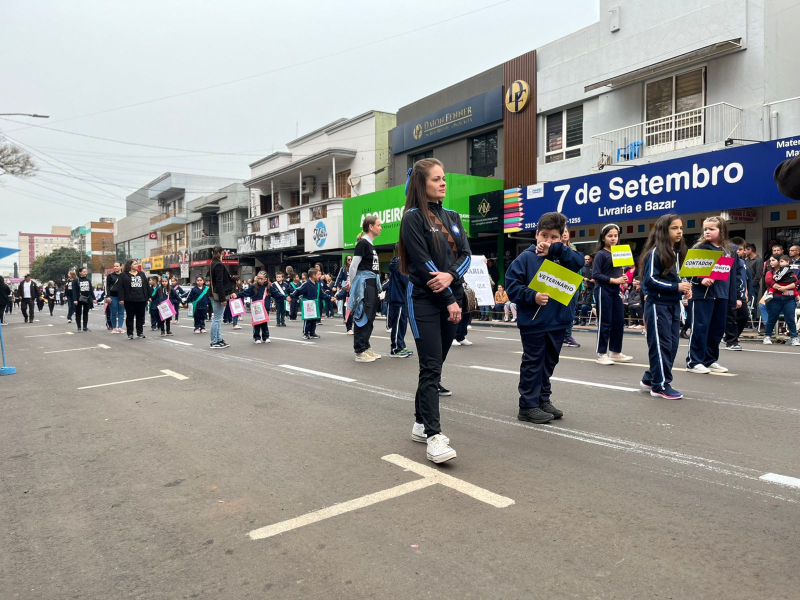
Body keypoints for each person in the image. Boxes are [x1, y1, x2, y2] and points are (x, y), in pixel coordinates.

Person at [398, 158, 471, 463]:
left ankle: (419, 422)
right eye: (436, 179)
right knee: (430, 367)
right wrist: (450, 301)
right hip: (425, 301)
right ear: (421, 183)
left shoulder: (453, 216)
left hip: (451, 297)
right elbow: (424, 264)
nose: (443, 183)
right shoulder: (413, 219)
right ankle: (434, 436)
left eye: (444, 178)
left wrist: (453, 277)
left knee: (435, 366)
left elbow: (467, 255)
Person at [505, 211, 584, 423]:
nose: (548, 241)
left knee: (549, 362)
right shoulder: (525, 258)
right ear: (537, 234)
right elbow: (513, 287)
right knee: (533, 362)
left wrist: (556, 249)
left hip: (559, 322)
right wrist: (533, 296)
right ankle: (528, 405)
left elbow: (579, 262)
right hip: (535, 323)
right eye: (545, 236)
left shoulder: (565, 256)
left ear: (562, 238)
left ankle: (543, 399)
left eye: (554, 237)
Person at [638, 214, 692, 399]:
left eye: (681, 228)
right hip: (657, 304)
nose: (679, 232)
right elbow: (650, 280)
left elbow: (678, 278)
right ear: (664, 230)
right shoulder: (655, 252)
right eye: (674, 228)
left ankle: (651, 376)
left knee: (673, 345)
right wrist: (676, 287)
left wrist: (685, 288)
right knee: (661, 345)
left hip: (673, 304)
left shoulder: (677, 252)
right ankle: (660, 385)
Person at [686, 216, 740, 374]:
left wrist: (734, 297)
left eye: (711, 229)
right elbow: (689, 273)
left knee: (717, 329)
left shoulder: (729, 251)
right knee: (700, 328)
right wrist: (701, 279)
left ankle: (709, 360)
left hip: (722, 295)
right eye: (705, 229)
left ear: (721, 231)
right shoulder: (699, 247)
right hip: (703, 296)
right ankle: (693, 361)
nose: (707, 231)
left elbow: (733, 276)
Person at [592, 224, 632, 365]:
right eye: (610, 236)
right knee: (605, 321)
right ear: (603, 238)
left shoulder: (619, 253)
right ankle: (601, 353)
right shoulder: (601, 254)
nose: (613, 238)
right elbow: (595, 274)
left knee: (619, 321)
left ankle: (615, 351)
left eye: (615, 235)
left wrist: (624, 279)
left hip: (616, 291)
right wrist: (614, 280)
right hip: (603, 289)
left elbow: (620, 273)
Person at [347, 215, 383, 361]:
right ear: (371, 226)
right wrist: (352, 284)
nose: (381, 227)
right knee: (363, 315)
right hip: (365, 283)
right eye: (379, 225)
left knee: (371, 316)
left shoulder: (370, 245)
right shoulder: (362, 243)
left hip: (372, 282)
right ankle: (359, 350)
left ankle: (366, 347)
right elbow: (353, 266)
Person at [762, 255, 800, 345]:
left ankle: (794, 337)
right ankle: (767, 336)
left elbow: (796, 282)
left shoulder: (789, 271)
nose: (771, 262)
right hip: (774, 298)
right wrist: (783, 288)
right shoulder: (770, 273)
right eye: (770, 260)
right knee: (772, 318)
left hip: (789, 298)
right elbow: (771, 282)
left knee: (790, 318)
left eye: (773, 260)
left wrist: (786, 288)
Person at [724, 238, 750, 350]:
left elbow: (744, 279)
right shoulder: (728, 260)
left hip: (741, 293)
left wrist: (745, 292)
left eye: (740, 249)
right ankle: (731, 341)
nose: (738, 251)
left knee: (744, 316)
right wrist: (737, 297)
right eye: (736, 249)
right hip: (731, 293)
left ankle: (731, 336)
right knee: (731, 317)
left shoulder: (742, 262)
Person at [291, 267, 330, 339]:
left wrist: (330, 298)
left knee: (314, 319)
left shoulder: (317, 284)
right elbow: (298, 290)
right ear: (313, 275)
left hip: (315, 304)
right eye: (318, 275)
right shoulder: (306, 284)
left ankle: (312, 333)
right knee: (308, 319)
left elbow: (321, 294)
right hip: (308, 304)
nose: (319, 276)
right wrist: (291, 296)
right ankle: (305, 333)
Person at [386, 250, 412, 358]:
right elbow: (406, 281)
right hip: (399, 298)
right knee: (398, 325)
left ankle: (401, 346)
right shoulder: (400, 264)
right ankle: (396, 348)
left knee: (402, 324)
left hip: (401, 298)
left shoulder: (399, 263)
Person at [209, 245, 234, 349]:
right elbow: (219, 282)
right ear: (222, 253)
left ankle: (218, 339)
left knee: (218, 318)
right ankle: (214, 341)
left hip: (215, 293)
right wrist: (223, 298)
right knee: (217, 318)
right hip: (218, 294)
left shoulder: (212, 264)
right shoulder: (218, 265)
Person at [118, 259, 149, 339]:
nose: (137, 265)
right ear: (130, 265)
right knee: (130, 317)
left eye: (137, 264)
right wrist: (121, 299)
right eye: (135, 264)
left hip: (141, 299)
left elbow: (146, 286)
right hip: (130, 300)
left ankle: (140, 332)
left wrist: (149, 296)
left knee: (140, 317)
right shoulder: (124, 275)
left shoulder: (141, 274)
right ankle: (130, 333)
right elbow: (120, 288)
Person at [238, 271, 271, 343]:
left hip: (265, 307)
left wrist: (285, 298)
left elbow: (276, 294)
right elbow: (245, 292)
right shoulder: (253, 286)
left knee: (264, 323)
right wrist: (237, 295)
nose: (259, 280)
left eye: (261, 278)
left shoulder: (268, 287)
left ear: (265, 279)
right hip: (256, 307)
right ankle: (257, 337)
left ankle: (265, 337)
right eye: (258, 278)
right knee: (257, 323)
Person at [105, 263, 125, 333]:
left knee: (121, 312)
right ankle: (114, 327)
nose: (115, 267)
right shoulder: (110, 276)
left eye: (117, 266)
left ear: (121, 267)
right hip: (113, 296)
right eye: (114, 266)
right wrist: (108, 296)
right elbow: (107, 286)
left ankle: (120, 327)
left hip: (122, 296)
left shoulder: (124, 275)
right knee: (113, 312)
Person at [334, 256, 353, 331]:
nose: (350, 261)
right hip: (345, 289)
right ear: (346, 260)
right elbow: (338, 278)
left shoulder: (354, 268)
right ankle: (347, 319)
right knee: (346, 305)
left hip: (353, 288)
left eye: (351, 259)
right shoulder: (343, 269)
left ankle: (351, 319)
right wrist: (335, 286)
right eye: (348, 259)